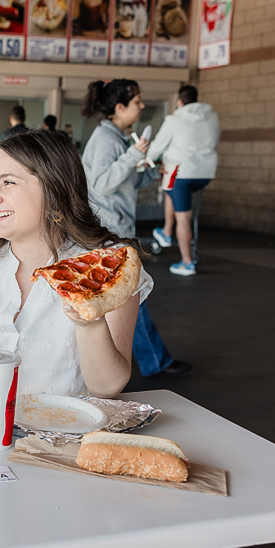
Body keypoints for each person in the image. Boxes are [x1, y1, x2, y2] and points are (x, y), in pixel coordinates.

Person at [0, 130, 150, 415]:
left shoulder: (108, 267)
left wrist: (88, 321)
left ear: (55, 189)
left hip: (61, 426)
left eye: (8, 182)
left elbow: (107, 387)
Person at [80, 79, 191, 378]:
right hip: (109, 233)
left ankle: (146, 360)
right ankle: (149, 361)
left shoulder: (117, 136)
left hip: (113, 230)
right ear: (120, 107)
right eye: (137, 101)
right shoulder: (106, 139)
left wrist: (153, 173)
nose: (142, 106)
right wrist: (134, 155)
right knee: (131, 296)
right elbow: (102, 183)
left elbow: (124, 181)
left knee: (127, 297)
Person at [147, 85, 220, 276]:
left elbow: (158, 144)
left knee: (184, 218)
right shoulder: (212, 117)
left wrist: (146, 158)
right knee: (169, 186)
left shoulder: (174, 119)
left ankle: (187, 262)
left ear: (180, 102)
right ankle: (166, 231)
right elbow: (215, 139)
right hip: (204, 173)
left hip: (181, 173)